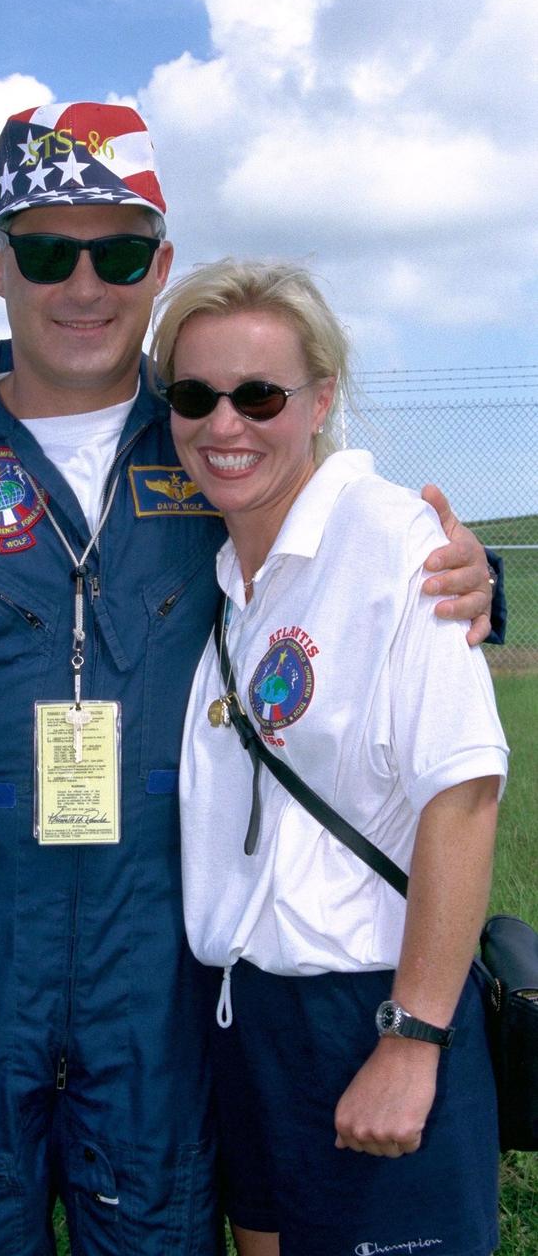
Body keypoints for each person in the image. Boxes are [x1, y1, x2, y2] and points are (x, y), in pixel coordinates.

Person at [0, 104, 501, 1256]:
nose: (82, 284)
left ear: (161, 265)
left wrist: (479, 582)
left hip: (158, 960)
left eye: (118, 251)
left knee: (157, 1220)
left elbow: (363, 562)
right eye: (47, 250)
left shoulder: (216, 437)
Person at [155, 258, 508, 1256]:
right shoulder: (228, 574)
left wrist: (413, 1035)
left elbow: (464, 795)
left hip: (368, 1006)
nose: (224, 424)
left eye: (258, 394)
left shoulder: (395, 546)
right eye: (194, 395)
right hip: (241, 1014)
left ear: (318, 399)